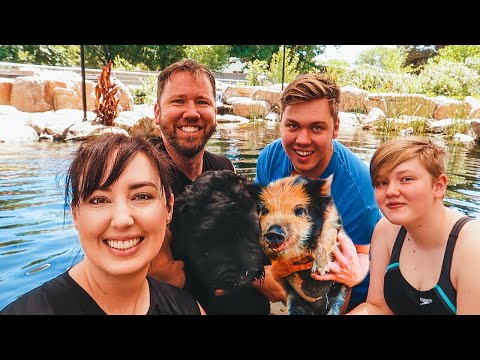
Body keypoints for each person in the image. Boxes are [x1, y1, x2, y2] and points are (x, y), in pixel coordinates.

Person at [1, 133, 205, 315]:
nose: (122, 220)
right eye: (99, 200)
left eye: (141, 196)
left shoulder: (187, 309)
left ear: (169, 208)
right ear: (75, 214)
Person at [147, 58, 271, 314]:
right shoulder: (142, 176)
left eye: (202, 102)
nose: (191, 112)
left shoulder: (223, 167)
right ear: (157, 112)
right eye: (178, 101)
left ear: (215, 111)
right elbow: (165, 275)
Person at [254, 73, 382, 312]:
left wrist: (353, 274)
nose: (302, 140)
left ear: (335, 128)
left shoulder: (358, 191)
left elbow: (363, 255)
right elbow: (256, 223)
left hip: (340, 293)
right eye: (292, 125)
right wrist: (266, 275)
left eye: (316, 128)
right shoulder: (269, 159)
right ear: (280, 123)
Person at [347, 136, 480, 315]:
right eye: (382, 183)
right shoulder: (385, 231)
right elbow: (377, 307)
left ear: (439, 186)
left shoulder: (472, 247)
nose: (391, 191)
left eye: (406, 179)